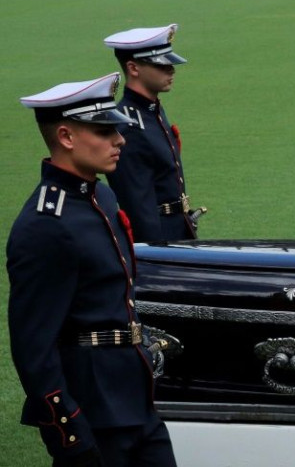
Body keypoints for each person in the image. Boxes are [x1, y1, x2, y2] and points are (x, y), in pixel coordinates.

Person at [8, 73, 178, 467]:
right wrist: (66, 431)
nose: (119, 140)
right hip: (95, 415)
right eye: (104, 132)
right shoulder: (44, 226)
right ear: (66, 137)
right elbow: (33, 346)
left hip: (137, 402)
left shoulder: (101, 193)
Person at [103, 24, 201, 243]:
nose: (171, 70)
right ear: (134, 68)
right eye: (161, 66)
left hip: (178, 230)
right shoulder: (128, 127)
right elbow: (137, 207)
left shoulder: (151, 111)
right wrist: (158, 255)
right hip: (159, 241)